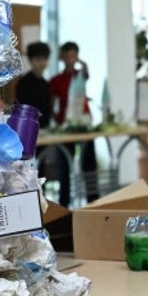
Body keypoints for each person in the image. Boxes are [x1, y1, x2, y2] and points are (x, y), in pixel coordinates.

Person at [48, 42, 100, 205]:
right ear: (61, 58)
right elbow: (52, 104)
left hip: (84, 123)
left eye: (73, 56)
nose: (70, 60)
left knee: (89, 165)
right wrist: (58, 121)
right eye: (66, 56)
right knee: (64, 166)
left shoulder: (80, 75)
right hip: (66, 126)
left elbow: (86, 73)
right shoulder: (56, 80)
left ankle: (93, 201)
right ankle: (64, 203)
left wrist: (81, 62)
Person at [14, 42, 52, 129]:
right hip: (27, 128)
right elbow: (21, 109)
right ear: (30, 60)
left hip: (45, 128)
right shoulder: (23, 82)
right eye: (38, 59)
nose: (42, 62)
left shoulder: (46, 83)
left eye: (45, 58)